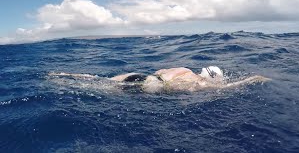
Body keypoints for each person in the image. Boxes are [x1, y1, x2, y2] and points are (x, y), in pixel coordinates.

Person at [108, 66, 270, 93]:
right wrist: (253, 79)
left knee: (100, 81)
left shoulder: (184, 69)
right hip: (152, 85)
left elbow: (159, 71)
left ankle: (82, 75)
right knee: (101, 90)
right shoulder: (200, 83)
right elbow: (227, 88)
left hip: (144, 75)